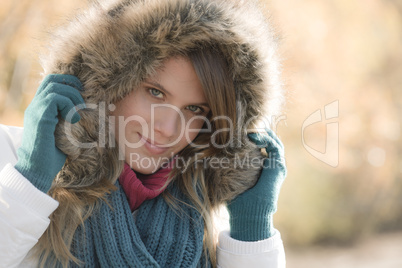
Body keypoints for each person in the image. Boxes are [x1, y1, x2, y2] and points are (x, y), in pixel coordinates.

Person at [0, 0, 287, 267]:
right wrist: (29, 183)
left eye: (194, 109)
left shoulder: (207, 211)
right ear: (108, 84)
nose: (168, 129)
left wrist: (252, 229)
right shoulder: (10, 160)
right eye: (155, 92)